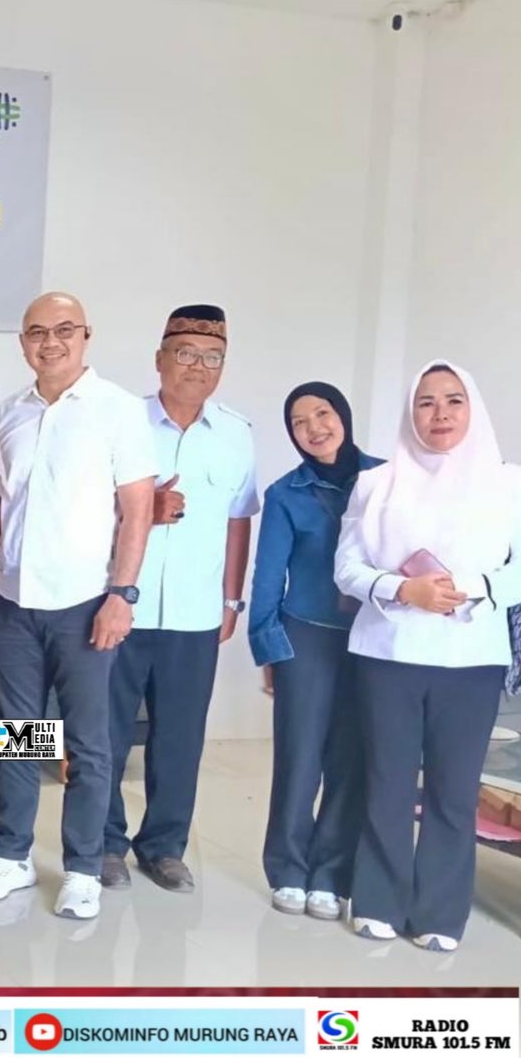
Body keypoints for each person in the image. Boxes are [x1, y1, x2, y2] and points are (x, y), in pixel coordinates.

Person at [0, 292, 156, 921]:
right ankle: (12, 855)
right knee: (15, 738)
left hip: (87, 603)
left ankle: (83, 865)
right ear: (22, 341)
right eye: (36, 332)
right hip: (11, 601)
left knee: (88, 742)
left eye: (63, 331)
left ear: (86, 336)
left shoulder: (117, 411)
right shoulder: (5, 415)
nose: (49, 343)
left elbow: (137, 509)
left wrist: (121, 594)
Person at [335, 360, 521, 952]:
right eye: (426, 403)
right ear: (409, 412)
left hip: (472, 656)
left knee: (454, 786)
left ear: (473, 409)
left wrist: (477, 587)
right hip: (390, 651)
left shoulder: (509, 483)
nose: (439, 415)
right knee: (388, 780)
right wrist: (401, 589)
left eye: (452, 401)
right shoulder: (377, 483)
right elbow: (347, 567)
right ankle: (379, 900)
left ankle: (440, 913)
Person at [103, 305, 259, 894]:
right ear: (160, 359)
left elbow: (239, 520)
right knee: (107, 734)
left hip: (195, 614)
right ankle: (103, 843)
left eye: (211, 357)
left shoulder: (237, 434)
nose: (197, 366)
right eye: (186, 353)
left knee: (180, 739)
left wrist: (231, 602)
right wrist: (139, 510)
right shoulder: (122, 421)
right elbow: (87, 505)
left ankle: (164, 847)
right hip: (121, 607)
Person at [249, 382, 381, 920]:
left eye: (322, 414)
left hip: (373, 637)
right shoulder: (286, 493)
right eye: (300, 422)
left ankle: (332, 874)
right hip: (305, 636)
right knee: (299, 757)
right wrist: (270, 649)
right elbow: (267, 579)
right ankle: (288, 869)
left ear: (343, 415)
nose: (314, 428)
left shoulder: (385, 480)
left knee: (352, 759)